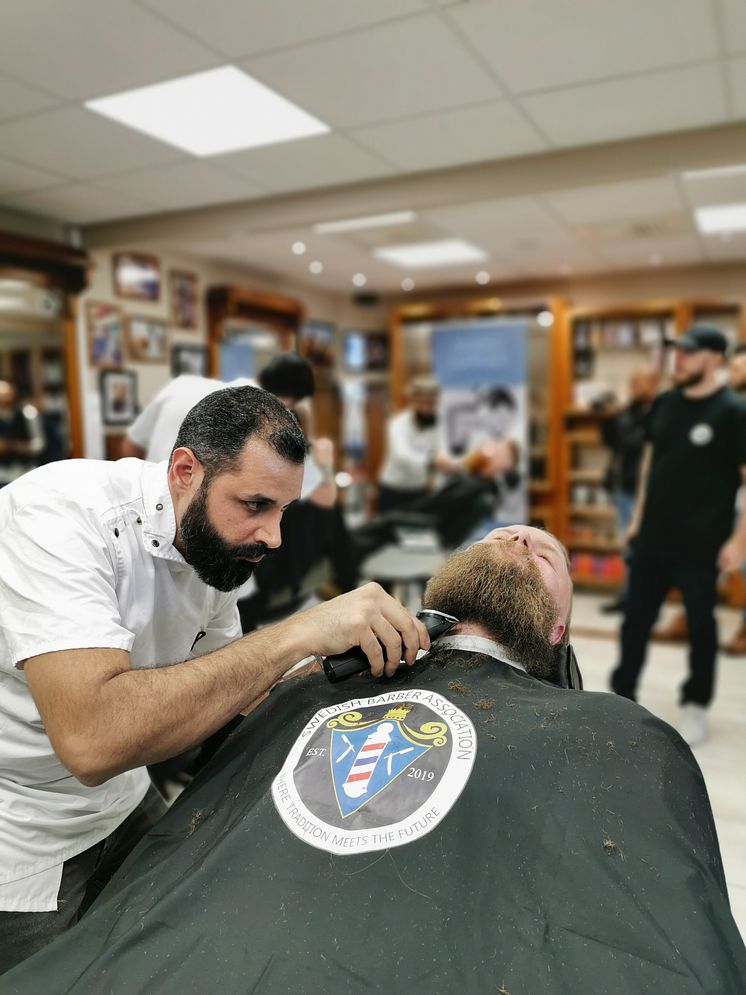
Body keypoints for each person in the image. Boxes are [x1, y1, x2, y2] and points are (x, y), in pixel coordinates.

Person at [5, 524, 744, 993]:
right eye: (498, 536)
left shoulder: (616, 735)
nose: (518, 540)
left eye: (545, 552)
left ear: (557, 630)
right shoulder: (302, 688)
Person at [0, 385, 430, 973]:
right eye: (255, 505)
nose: (274, 536)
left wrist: (363, 697)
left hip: (122, 796)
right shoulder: (55, 516)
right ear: (184, 470)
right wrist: (298, 632)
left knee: (157, 956)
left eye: (283, 510)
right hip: (20, 827)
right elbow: (91, 739)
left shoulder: (209, 547)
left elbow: (237, 689)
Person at [610, 325, 746, 746]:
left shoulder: (732, 411)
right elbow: (652, 463)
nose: (679, 359)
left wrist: (738, 541)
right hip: (653, 537)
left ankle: (696, 702)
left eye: (689, 352)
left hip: (702, 542)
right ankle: (621, 698)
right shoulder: (665, 403)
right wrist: (636, 521)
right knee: (635, 621)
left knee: (701, 626)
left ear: (714, 357)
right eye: (677, 351)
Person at [599, 365, 659, 613]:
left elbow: (637, 444)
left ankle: (638, 599)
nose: (633, 387)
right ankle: (630, 596)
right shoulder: (628, 412)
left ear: (653, 384)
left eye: (639, 382)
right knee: (628, 547)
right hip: (622, 487)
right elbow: (612, 443)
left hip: (643, 490)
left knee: (640, 546)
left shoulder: (657, 413)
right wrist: (607, 418)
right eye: (631, 382)